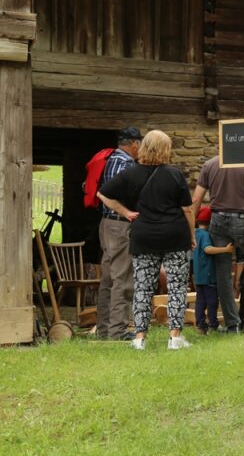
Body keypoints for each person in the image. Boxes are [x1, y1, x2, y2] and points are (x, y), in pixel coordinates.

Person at [97, 130, 194, 350]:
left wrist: (126, 213)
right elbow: (187, 209)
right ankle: (175, 337)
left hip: (143, 236)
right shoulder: (174, 174)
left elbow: (102, 194)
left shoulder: (131, 173)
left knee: (142, 287)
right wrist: (192, 235)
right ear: (166, 149)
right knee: (177, 285)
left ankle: (140, 338)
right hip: (174, 235)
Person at [191, 155, 244, 333]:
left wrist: (191, 230)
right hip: (243, 220)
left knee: (223, 273)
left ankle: (232, 324)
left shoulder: (209, 165)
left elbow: (196, 200)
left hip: (217, 220)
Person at [96, 126, 142, 340]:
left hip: (107, 224)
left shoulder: (111, 159)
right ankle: (118, 331)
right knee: (122, 278)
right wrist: (129, 212)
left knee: (108, 278)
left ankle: (105, 329)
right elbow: (110, 195)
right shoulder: (124, 164)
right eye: (139, 144)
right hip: (119, 225)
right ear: (134, 143)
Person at [193, 206, 233, 334]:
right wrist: (225, 250)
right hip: (208, 275)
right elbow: (207, 249)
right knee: (212, 301)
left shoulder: (195, 233)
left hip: (198, 276)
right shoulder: (205, 235)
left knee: (200, 301)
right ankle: (213, 325)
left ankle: (200, 325)